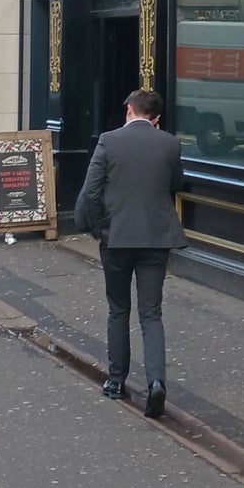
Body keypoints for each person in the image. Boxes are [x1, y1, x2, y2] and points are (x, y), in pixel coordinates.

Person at [78, 87, 186, 418]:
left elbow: (90, 192)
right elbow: (176, 185)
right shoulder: (170, 143)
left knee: (119, 310)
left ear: (129, 111)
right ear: (156, 120)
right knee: (151, 313)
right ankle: (156, 383)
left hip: (117, 240)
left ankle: (116, 380)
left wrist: (100, 229)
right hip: (156, 238)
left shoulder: (109, 141)